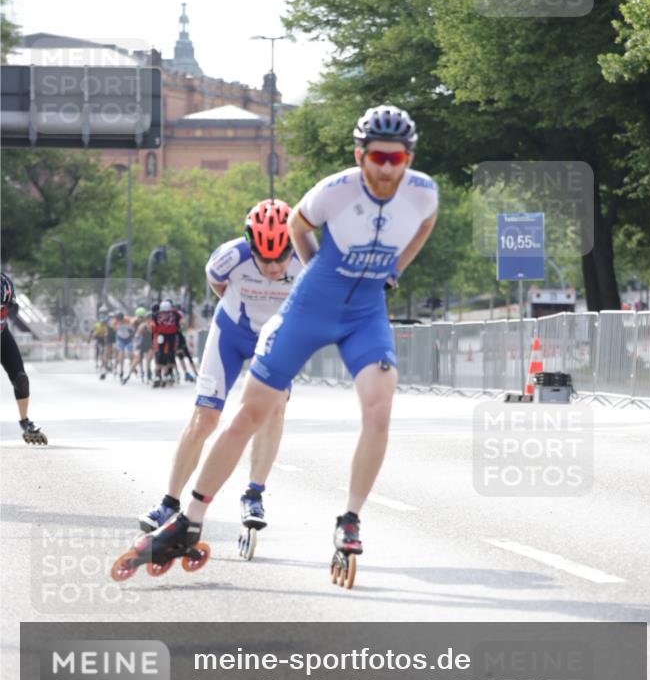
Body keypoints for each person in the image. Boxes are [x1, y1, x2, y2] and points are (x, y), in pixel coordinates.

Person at [141, 106, 438, 566]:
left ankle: (349, 519)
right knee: (248, 414)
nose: (385, 170)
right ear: (359, 155)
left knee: (379, 409)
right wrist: (317, 271)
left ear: (409, 158)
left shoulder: (423, 193)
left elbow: (425, 225)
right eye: (377, 158)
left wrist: (395, 270)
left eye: (395, 160)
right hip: (309, 309)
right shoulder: (335, 190)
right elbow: (298, 224)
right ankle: (189, 516)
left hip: (364, 314)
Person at [137, 199, 301, 534]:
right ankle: (169, 502)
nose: (273, 267)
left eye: (281, 257)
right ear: (251, 247)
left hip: (275, 338)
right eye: (264, 258)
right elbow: (217, 283)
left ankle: (254, 495)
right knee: (205, 418)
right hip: (231, 333)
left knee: (274, 410)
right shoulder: (229, 256)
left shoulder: (309, 259)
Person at [0, 271, 48, 445]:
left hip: (2, 335)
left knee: (21, 379)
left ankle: (25, 422)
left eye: (2, 306)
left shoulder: (6, 288)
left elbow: (13, 309)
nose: (0, 309)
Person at [151, 299, 182, 387]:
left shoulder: (175, 314)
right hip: (162, 334)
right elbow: (154, 325)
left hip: (172, 335)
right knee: (160, 354)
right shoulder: (156, 315)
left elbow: (180, 319)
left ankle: (169, 373)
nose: (165, 314)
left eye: (167, 312)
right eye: (163, 312)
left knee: (171, 354)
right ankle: (158, 375)